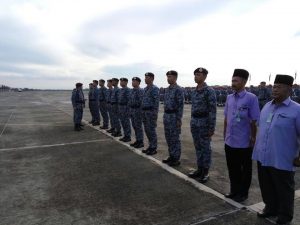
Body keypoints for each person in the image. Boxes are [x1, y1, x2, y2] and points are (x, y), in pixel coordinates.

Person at [253, 75, 300, 225]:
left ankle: (285, 215)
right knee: (266, 185)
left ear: (289, 89)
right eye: (274, 86)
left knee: (284, 189)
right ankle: (270, 207)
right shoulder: (267, 106)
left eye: (279, 86)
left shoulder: (296, 110)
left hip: (283, 157)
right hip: (264, 155)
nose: (275, 89)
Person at [223, 69, 260, 202]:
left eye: (236, 80)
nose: (233, 83)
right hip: (230, 140)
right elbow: (226, 118)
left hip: (244, 140)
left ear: (244, 82)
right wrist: (224, 135)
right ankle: (234, 190)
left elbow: (253, 120)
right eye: (232, 80)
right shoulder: (229, 97)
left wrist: (253, 137)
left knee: (245, 169)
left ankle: (243, 193)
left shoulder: (251, 98)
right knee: (232, 167)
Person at [188, 67, 217, 183]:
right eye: (195, 75)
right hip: (195, 122)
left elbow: (212, 110)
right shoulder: (194, 91)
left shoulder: (209, 91)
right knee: (198, 147)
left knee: (205, 148)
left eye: (199, 75)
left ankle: (205, 171)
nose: (196, 77)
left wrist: (211, 127)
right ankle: (199, 169)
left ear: (205, 76)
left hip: (204, 123)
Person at [162, 70, 184, 166]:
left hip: (174, 116)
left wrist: (179, 119)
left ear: (175, 78)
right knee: (168, 137)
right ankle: (171, 155)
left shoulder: (178, 89)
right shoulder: (166, 89)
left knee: (175, 138)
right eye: (167, 76)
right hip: (167, 116)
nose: (168, 78)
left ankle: (176, 158)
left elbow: (180, 105)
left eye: (170, 76)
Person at [141, 72, 160, 155]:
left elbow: (156, 103)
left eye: (147, 77)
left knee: (151, 130)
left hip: (151, 112)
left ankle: (153, 147)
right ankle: (150, 145)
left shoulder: (155, 89)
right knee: (147, 130)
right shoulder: (145, 89)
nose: (145, 79)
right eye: (145, 77)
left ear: (152, 79)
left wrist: (154, 114)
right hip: (144, 112)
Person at [129, 77, 144, 148]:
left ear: (138, 83)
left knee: (138, 127)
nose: (133, 83)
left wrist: (140, 112)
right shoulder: (132, 91)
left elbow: (141, 103)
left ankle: (140, 142)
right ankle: (137, 140)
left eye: (134, 81)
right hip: (132, 110)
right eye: (132, 81)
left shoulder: (140, 91)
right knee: (135, 126)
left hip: (137, 111)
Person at [118, 78, 131, 142]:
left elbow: (129, 101)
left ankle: (128, 136)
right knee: (123, 122)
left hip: (125, 108)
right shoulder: (121, 90)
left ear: (126, 82)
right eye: (120, 81)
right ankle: (125, 135)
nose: (121, 83)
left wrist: (127, 110)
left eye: (122, 81)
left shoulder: (127, 90)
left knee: (126, 123)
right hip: (121, 108)